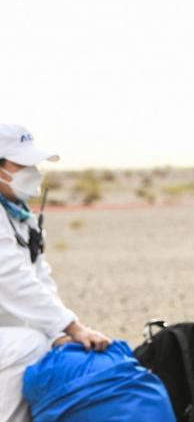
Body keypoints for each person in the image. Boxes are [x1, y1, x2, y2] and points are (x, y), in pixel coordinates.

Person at [0, 125, 111, 422]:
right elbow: (12, 280)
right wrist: (72, 328)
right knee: (28, 345)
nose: (32, 171)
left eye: (32, 163)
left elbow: (39, 277)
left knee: (43, 342)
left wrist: (60, 332)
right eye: (21, 164)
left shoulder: (19, 215)